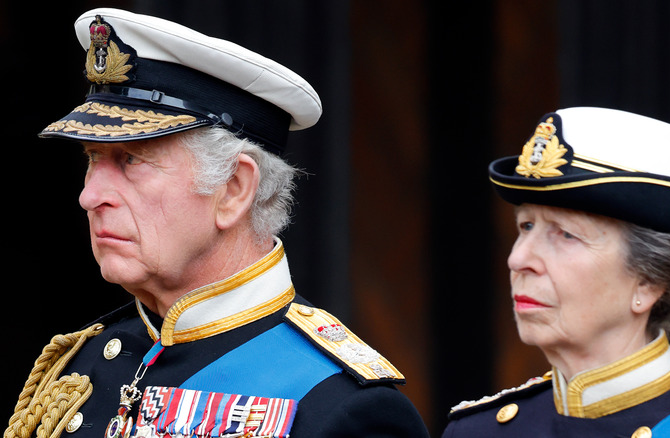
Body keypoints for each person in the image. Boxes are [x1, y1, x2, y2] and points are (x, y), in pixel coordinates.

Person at [5, 8, 429, 438]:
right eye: (93, 159)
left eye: (132, 159)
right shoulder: (83, 367)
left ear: (233, 189)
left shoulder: (337, 407)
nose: (89, 196)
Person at [442, 107, 670, 437]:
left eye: (566, 233)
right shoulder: (475, 430)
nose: (519, 259)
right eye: (525, 226)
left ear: (649, 280)